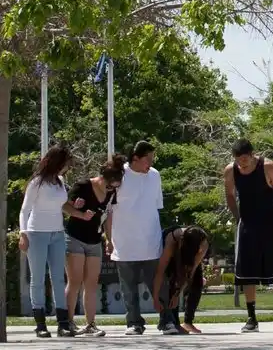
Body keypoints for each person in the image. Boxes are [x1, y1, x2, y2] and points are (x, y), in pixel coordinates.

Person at [18, 145, 95, 338]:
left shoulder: (60, 182)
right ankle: (40, 324)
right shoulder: (37, 182)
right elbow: (24, 210)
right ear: (56, 162)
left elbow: (63, 206)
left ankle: (63, 323)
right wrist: (23, 233)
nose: (67, 167)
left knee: (59, 278)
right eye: (65, 163)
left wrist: (77, 210)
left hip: (57, 233)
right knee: (37, 279)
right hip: (37, 233)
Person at [224, 138, 273, 333]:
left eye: (245, 159)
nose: (242, 163)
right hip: (248, 224)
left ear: (252, 154)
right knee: (247, 273)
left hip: (271, 223)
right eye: (238, 160)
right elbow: (229, 194)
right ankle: (252, 317)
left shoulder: (268, 166)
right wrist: (237, 216)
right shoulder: (231, 170)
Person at [65, 154, 126, 336]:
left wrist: (109, 239)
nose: (110, 189)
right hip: (75, 237)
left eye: (114, 187)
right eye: (108, 185)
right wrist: (79, 213)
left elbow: (108, 215)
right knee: (75, 281)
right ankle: (67, 322)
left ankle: (90, 324)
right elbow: (64, 206)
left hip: (94, 240)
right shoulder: (83, 186)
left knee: (91, 283)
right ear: (102, 178)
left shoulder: (111, 192)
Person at [110, 140, 164, 335]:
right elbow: (109, 209)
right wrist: (108, 239)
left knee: (157, 285)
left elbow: (157, 204)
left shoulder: (155, 175)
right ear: (135, 158)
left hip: (150, 240)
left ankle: (166, 320)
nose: (150, 163)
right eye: (147, 159)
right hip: (125, 242)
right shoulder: (119, 176)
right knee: (128, 288)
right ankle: (134, 323)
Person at [152, 225, 210, 334]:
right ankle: (172, 322)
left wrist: (177, 294)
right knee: (171, 281)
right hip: (172, 243)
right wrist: (155, 297)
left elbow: (190, 273)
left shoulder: (203, 243)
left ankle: (188, 322)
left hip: (186, 247)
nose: (201, 249)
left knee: (197, 281)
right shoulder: (171, 240)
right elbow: (160, 272)